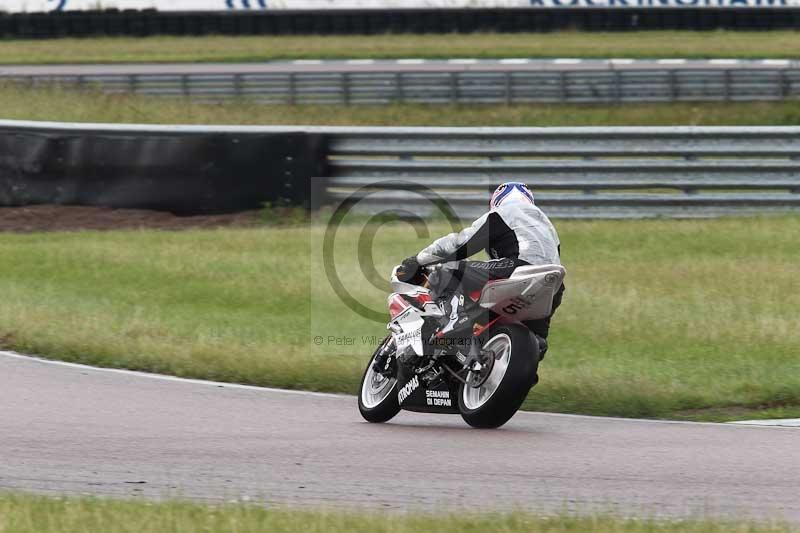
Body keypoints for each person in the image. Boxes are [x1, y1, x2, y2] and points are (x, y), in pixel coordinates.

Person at [396, 182, 565, 358]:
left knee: (448, 270)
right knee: (536, 342)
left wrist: (417, 260)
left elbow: (458, 245)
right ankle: (524, 355)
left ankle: (454, 321)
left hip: (518, 267)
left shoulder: (502, 213)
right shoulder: (548, 226)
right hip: (554, 286)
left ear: (496, 201)